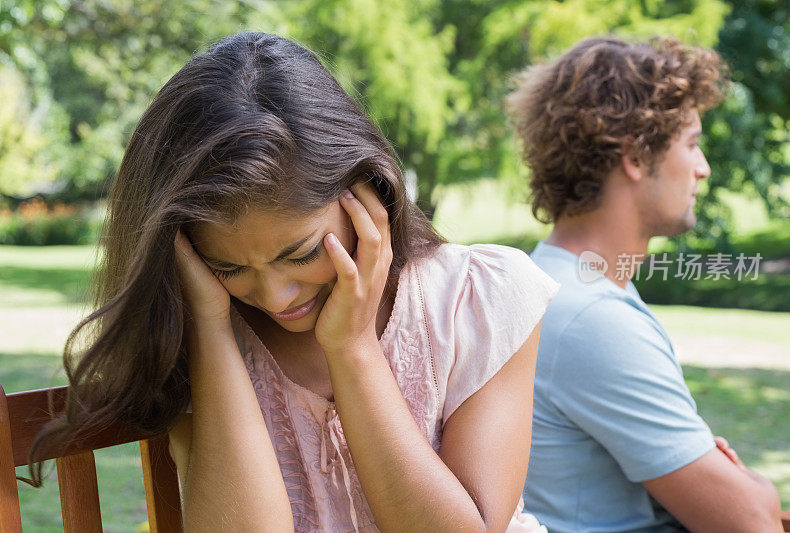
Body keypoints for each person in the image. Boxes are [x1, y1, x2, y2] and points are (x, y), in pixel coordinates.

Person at [31, 32, 558, 532]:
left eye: (302, 253)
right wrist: (212, 330)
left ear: (365, 189)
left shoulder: (478, 298)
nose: (276, 297)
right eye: (229, 267)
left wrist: (352, 350)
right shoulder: (196, 334)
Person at [507, 36, 784, 532]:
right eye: (692, 143)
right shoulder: (591, 316)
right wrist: (754, 487)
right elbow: (750, 522)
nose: (704, 168)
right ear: (635, 156)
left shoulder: (550, 279)